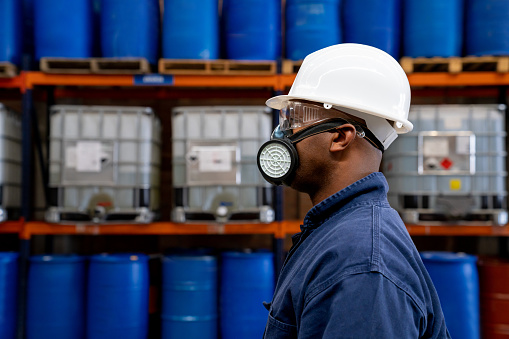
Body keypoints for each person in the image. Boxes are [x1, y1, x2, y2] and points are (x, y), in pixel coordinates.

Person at [257, 44, 451, 338]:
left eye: (294, 121)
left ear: (340, 137)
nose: (282, 135)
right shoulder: (338, 233)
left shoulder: (360, 265)